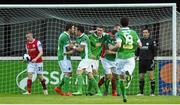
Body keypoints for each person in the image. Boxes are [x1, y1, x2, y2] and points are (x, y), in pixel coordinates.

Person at [109, 17, 142, 102]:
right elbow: (140, 45)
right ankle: (128, 74)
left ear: (120, 23)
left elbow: (119, 45)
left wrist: (112, 48)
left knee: (120, 78)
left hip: (120, 57)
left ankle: (124, 96)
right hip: (130, 56)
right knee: (125, 74)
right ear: (128, 23)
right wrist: (132, 47)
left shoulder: (119, 33)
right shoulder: (133, 32)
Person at [72, 25, 102, 96]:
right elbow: (79, 46)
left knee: (79, 72)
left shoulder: (84, 38)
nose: (75, 31)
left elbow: (81, 49)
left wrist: (73, 47)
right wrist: (75, 44)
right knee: (90, 75)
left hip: (87, 58)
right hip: (87, 58)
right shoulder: (80, 37)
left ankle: (79, 91)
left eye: (76, 30)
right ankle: (99, 92)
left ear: (79, 31)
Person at [54, 23, 75, 96]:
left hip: (66, 57)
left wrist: (73, 44)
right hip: (63, 57)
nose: (74, 29)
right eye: (73, 28)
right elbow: (69, 48)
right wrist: (75, 47)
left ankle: (58, 87)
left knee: (69, 73)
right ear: (69, 29)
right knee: (67, 73)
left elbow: (69, 45)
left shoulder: (66, 35)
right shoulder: (64, 36)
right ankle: (67, 92)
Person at [135, 28, 157, 96]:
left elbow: (155, 52)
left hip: (149, 61)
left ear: (149, 33)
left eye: (146, 32)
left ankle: (152, 93)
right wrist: (135, 57)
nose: (144, 33)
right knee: (141, 77)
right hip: (141, 61)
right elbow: (138, 51)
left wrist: (154, 60)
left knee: (151, 77)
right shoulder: (140, 41)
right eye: (143, 32)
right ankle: (141, 93)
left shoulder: (152, 41)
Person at [99, 30, 118, 96]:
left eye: (115, 36)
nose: (113, 37)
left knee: (116, 77)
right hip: (106, 60)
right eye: (112, 35)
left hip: (114, 61)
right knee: (109, 76)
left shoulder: (119, 41)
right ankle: (106, 91)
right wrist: (116, 52)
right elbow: (108, 51)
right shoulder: (108, 40)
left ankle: (116, 91)